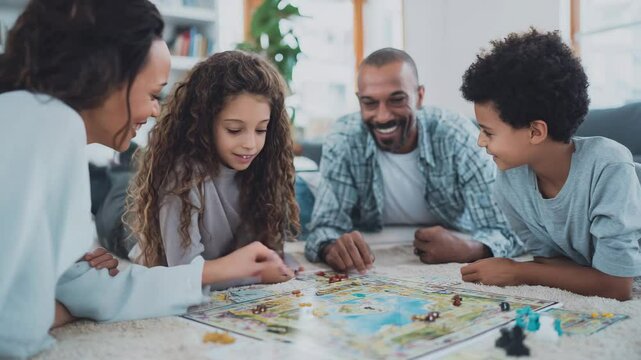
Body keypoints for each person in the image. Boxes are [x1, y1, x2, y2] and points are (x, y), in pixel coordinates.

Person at [0, 1, 292, 357]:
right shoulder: (44, 122)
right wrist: (55, 309)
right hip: (121, 202)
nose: (156, 109)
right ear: (104, 75)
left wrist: (208, 274)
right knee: (117, 196)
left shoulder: (53, 130)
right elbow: (16, 328)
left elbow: (84, 287)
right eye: (154, 94)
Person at [459, 29, 641, 300]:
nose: (480, 141)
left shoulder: (608, 166)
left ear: (536, 132)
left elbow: (618, 286)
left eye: (489, 132)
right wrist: (536, 269)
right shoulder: (510, 182)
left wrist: (518, 272)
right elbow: (552, 265)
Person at [304, 48, 521, 273]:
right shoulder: (343, 137)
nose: (383, 116)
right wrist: (330, 248)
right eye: (369, 103)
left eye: (396, 100)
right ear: (359, 101)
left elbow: (506, 229)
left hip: (454, 228)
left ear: (419, 96)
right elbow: (324, 228)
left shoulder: (456, 135)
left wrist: (469, 249)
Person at [128, 50, 300, 281]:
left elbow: (262, 249)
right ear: (204, 125)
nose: (250, 144)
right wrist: (257, 273)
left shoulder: (262, 169)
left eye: (261, 130)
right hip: (130, 231)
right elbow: (181, 274)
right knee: (114, 197)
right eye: (234, 130)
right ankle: (114, 165)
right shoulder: (182, 174)